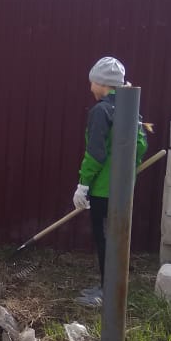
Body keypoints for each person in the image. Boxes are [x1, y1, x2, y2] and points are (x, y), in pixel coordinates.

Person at [72, 58, 147, 308]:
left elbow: (95, 153)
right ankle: (111, 288)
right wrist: (126, 169)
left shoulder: (101, 111)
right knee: (117, 238)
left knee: (104, 239)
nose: (90, 86)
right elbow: (141, 144)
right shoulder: (129, 106)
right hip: (123, 189)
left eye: (91, 81)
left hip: (103, 190)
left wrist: (83, 184)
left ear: (100, 82)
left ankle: (106, 292)